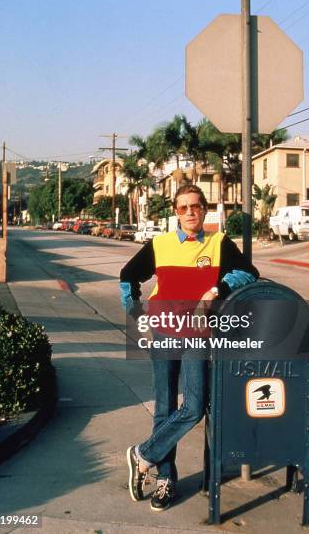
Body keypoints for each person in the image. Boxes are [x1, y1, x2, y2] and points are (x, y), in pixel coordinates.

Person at [119, 184, 259, 511]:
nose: (190, 212)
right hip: (164, 331)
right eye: (182, 208)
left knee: (194, 406)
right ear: (175, 212)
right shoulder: (160, 243)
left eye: (195, 206)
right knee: (165, 405)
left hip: (198, 333)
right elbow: (128, 275)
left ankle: (142, 455)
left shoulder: (219, 242)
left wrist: (216, 290)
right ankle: (166, 480)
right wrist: (133, 308)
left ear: (205, 209)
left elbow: (248, 273)